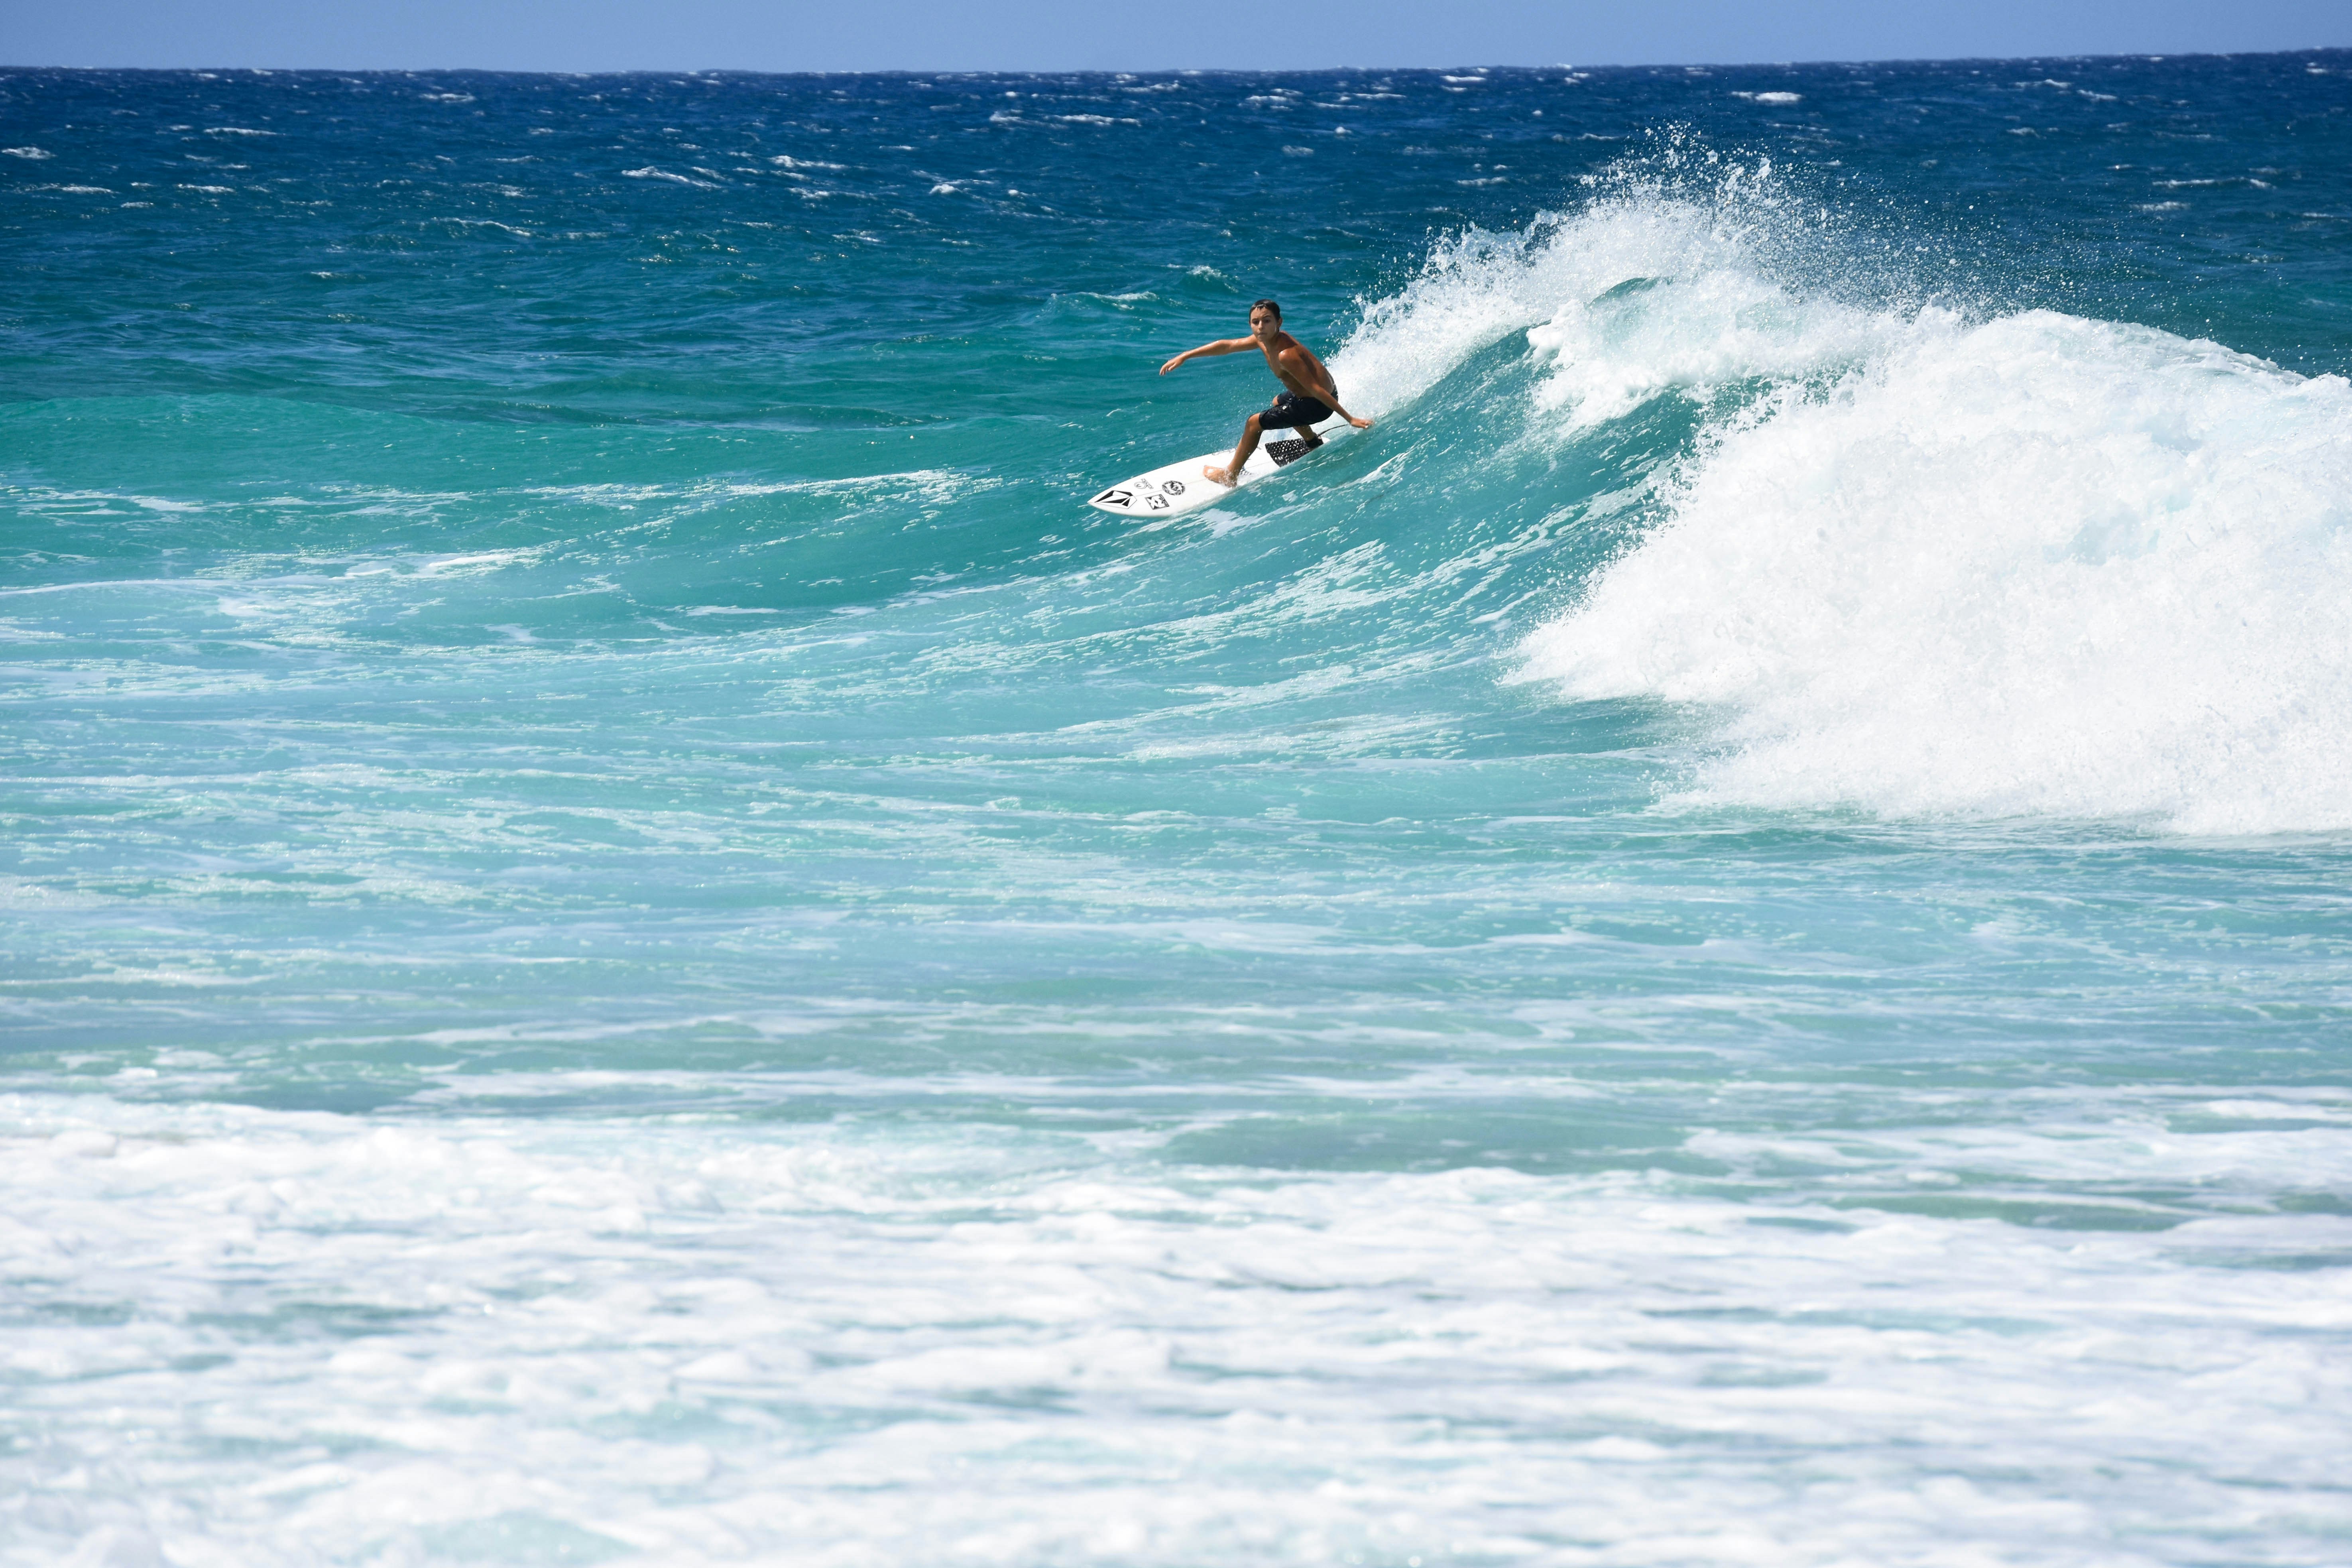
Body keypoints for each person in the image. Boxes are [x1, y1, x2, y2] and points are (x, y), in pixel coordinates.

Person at [1158, 299, 1372, 486]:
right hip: (1311, 398)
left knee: (1254, 423)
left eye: (1267, 321)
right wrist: (1186, 355)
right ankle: (1312, 442)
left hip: (1318, 404)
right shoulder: (1264, 340)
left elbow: (1316, 389)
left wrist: (1350, 419)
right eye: (1255, 322)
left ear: (1279, 323)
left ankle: (1230, 475)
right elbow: (1228, 346)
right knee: (1277, 401)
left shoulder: (1286, 354)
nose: (1261, 326)